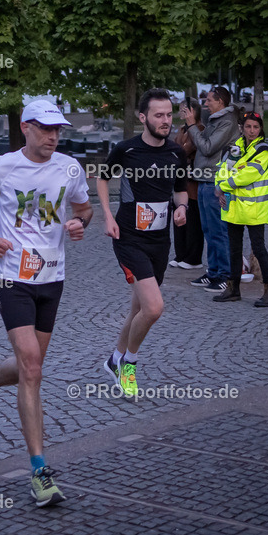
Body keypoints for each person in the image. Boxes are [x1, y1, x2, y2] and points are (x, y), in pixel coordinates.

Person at [0, 99, 92, 507]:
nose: (53, 137)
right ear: (26, 127)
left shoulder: (70, 168)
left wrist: (79, 223)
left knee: (30, 366)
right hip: (12, 277)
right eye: (46, 129)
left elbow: (85, 209)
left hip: (53, 277)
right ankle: (39, 470)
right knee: (32, 365)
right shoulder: (1, 167)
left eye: (58, 131)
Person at [97, 88, 188, 396]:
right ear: (142, 117)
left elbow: (180, 188)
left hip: (161, 240)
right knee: (153, 307)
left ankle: (113, 358)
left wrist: (183, 208)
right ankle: (129, 364)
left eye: (169, 115)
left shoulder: (177, 152)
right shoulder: (126, 149)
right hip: (129, 238)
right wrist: (107, 216)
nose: (166, 121)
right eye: (158, 115)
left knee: (139, 307)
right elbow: (102, 178)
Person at [213, 112, 268, 307]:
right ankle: (233, 289)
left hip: (254, 209)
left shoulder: (263, 150)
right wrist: (220, 188)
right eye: (248, 127)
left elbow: (248, 175)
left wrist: (222, 187)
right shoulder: (235, 147)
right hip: (233, 206)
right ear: (242, 127)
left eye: (255, 127)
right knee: (233, 249)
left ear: (260, 129)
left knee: (259, 249)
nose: (252, 131)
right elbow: (222, 168)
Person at [180, 86, 235, 293]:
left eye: (209, 100)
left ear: (220, 101)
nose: (206, 103)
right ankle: (213, 272)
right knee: (208, 230)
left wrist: (192, 125)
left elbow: (207, 147)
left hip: (216, 182)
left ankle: (225, 275)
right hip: (204, 180)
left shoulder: (227, 122)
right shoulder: (215, 120)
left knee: (218, 231)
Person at [170, 98, 204, 270]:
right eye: (181, 109)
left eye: (185, 109)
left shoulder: (199, 129)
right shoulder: (181, 129)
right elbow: (177, 148)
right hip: (180, 179)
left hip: (193, 183)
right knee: (178, 219)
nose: (182, 112)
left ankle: (193, 258)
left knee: (192, 221)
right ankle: (181, 254)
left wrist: (178, 150)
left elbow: (184, 150)